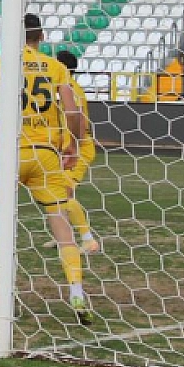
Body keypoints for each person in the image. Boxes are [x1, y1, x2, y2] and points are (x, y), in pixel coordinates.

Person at [0, 13, 92, 324]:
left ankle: (6, 293)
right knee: (60, 220)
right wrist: (72, 144)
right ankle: (76, 290)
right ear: (41, 37)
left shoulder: (1, 62)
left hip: (11, 153)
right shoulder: (56, 67)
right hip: (45, 154)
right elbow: (72, 111)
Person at [53, 50, 101, 253]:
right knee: (56, 193)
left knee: (65, 193)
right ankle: (64, 237)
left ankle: (88, 240)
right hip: (68, 147)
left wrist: (75, 148)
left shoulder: (71, 89)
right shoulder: (61, 89)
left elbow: (79, 119)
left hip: (78, 147)